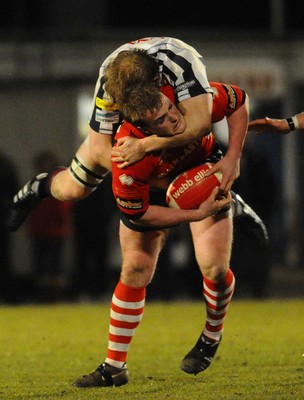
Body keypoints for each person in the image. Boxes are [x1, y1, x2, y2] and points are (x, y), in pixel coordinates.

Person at [6, 37, 265, 246]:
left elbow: (199, 126)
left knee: (187, 152)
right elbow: (98, 150)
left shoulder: (179, 63)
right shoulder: (112, 83)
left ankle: (227, 198)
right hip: (133, 132)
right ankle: (38, 187)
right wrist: (138, 175)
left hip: (170, 122)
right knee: (73, 190)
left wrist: (147, 147)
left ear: (156, 81)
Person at [72, 83, 243, 388]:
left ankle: (211, 336)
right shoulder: (127, 157)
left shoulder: (189, 98)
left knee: (215, 270)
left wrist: (232, 156)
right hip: (153, 195)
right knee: (136, 267)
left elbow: (239, 101)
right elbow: (139, 212)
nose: (174, 118)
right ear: (141, 129)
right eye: (161, 121)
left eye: (170, 109)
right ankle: (114, 366)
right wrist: (194, 215)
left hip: (200, 171)